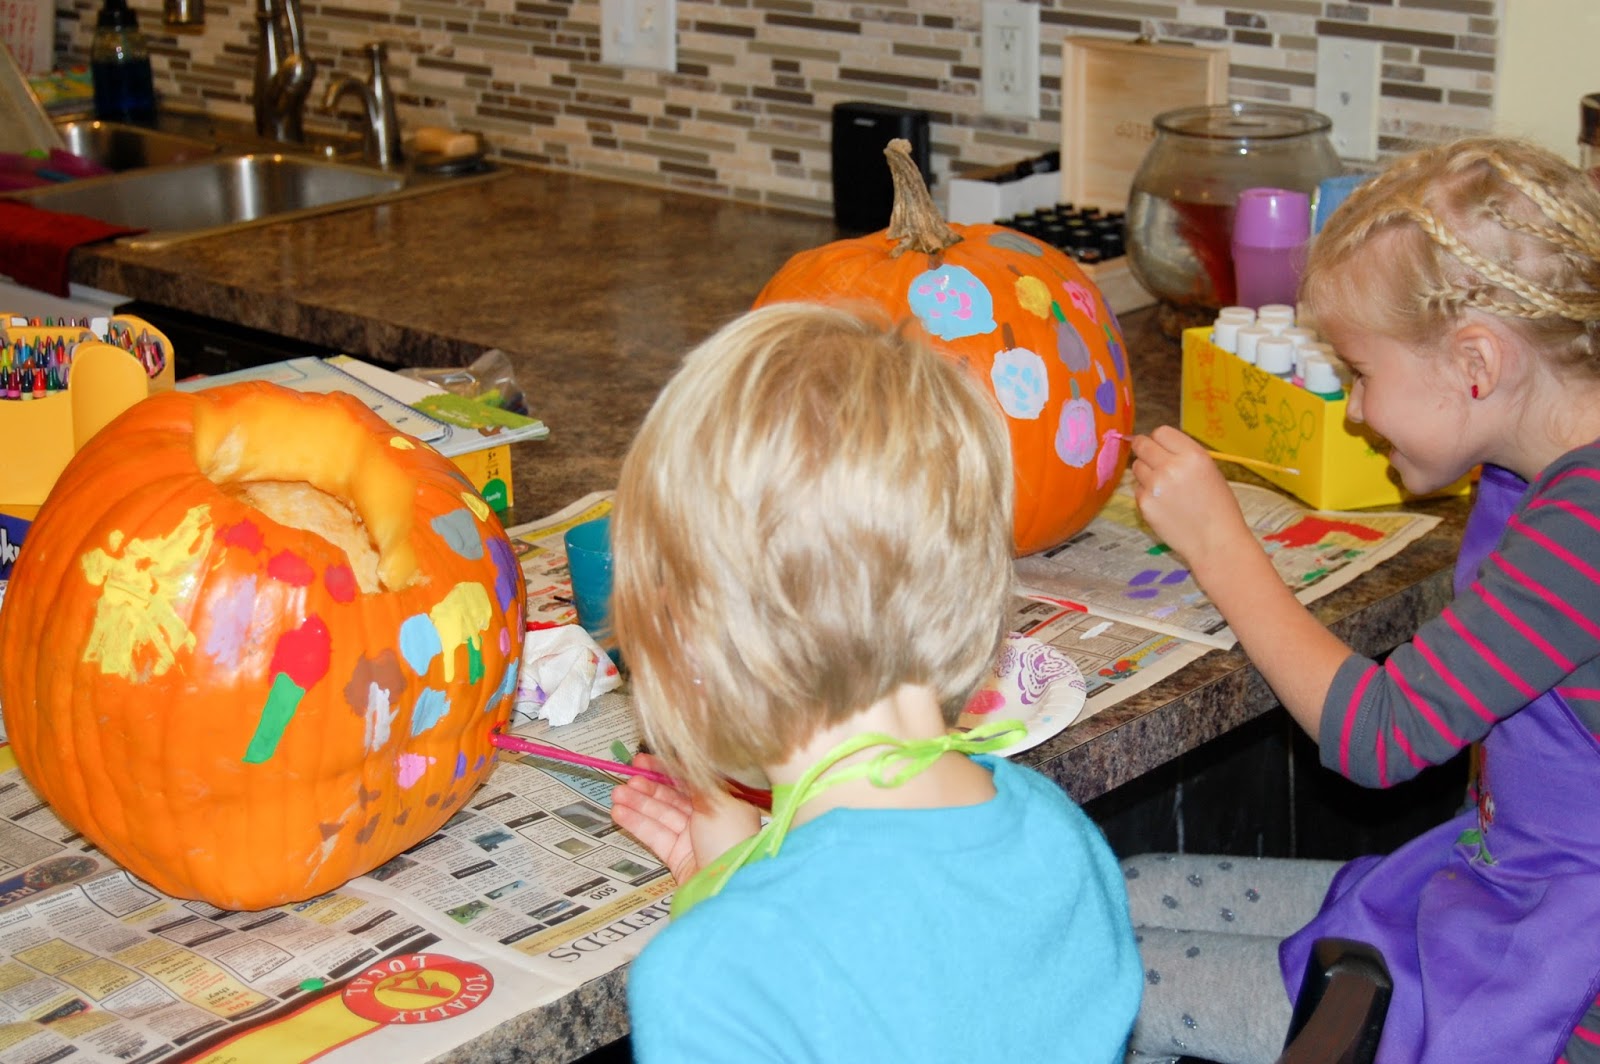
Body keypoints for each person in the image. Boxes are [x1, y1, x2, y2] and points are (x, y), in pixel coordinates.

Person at [1122, 136, 1600, 1064]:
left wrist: (1221, 545)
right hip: (1504, 885)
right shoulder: (1541, 462)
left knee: (1088, 971)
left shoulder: (1585, 529)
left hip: (1554, 983)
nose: (1352, 411)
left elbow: (1381, 734)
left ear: (1476, 364)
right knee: (1120, 891)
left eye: (1362, 374)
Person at [605, 302, 1142, 1061]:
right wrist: (728, 876)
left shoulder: (707, 976)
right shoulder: (1058, 834)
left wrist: (723, 911)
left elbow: (764, 978)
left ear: (697, 643)